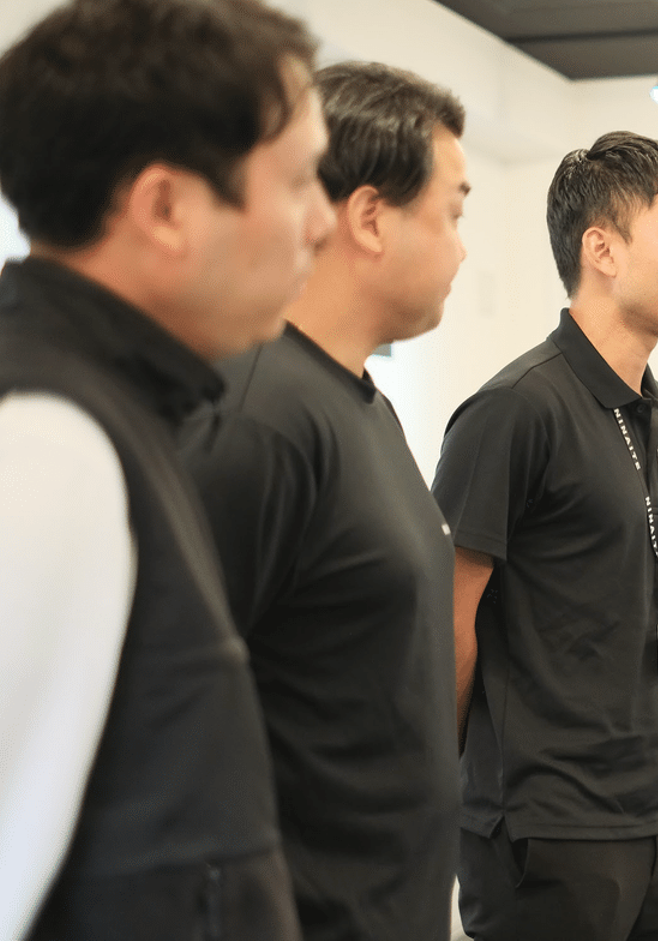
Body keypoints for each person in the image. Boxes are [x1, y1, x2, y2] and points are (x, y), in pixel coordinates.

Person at [0, 0, 334, 938]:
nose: (322, 222)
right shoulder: (48, 439)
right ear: (165, 208)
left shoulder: (121, 411)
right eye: (301, 181)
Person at [181, 62, 469, 941]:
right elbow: (171, 713)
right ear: (371, 217)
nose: (461, 250)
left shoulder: (366, 406)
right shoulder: (258, 415)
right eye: (453, 215)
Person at [431, 130, 658, 941]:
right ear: (603, 249)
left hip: (653, 816)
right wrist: (446, 789)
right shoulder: (515, 408)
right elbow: (448, 619)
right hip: (543, 826)